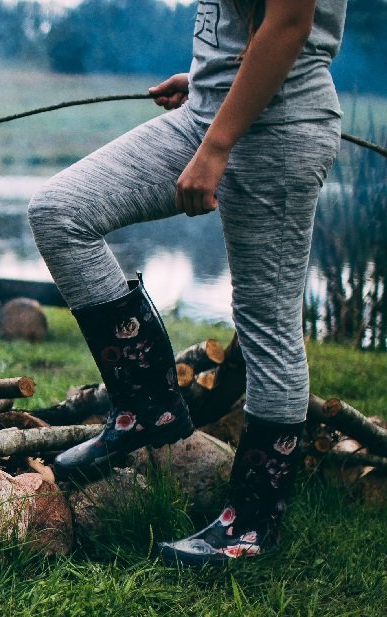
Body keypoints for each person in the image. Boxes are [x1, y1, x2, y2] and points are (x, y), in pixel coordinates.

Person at [27, 0, 344, 565]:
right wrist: (209, 81)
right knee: (60, 211)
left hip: (278, 129)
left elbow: (291, 22)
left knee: (267, 323)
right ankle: (145, 407)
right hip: (209, 113)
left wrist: (218, 144)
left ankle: (250, 526)